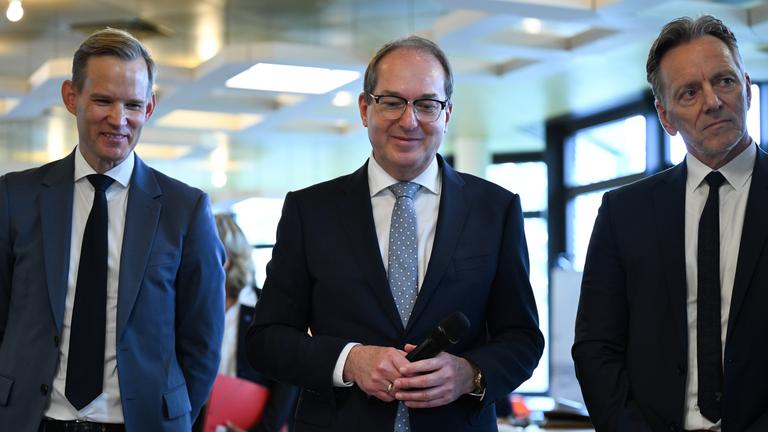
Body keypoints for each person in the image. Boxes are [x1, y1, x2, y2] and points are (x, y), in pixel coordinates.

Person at [246, 35, 543, 432]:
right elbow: (266, 339)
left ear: (447, 113)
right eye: (392, 101)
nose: (409, 120)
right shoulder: (310, 211)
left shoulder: (496, 209)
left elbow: (522, 337)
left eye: (426, 104)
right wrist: (349, 360)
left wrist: (470, 373)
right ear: (365, 108)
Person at [0, 28, 225, 431]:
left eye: (133, 104)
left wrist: (171, 414)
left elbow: (202, 342)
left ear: (151, 107)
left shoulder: (185, 209)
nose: (118, 119)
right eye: (103, 100)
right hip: (33, 420)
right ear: (72, 97)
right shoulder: (16, 197)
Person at [573, 15, 768, 431]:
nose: (713, 101)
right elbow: (596, 347)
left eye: (725, 81)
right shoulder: (623, 213)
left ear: (748, 88)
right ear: (665, 116)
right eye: (689, 92)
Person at [194, 213, 298, 432]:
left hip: (254, 424)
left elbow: (288, 379)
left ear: (229, 258)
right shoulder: (190, 305)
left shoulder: (266, 304)